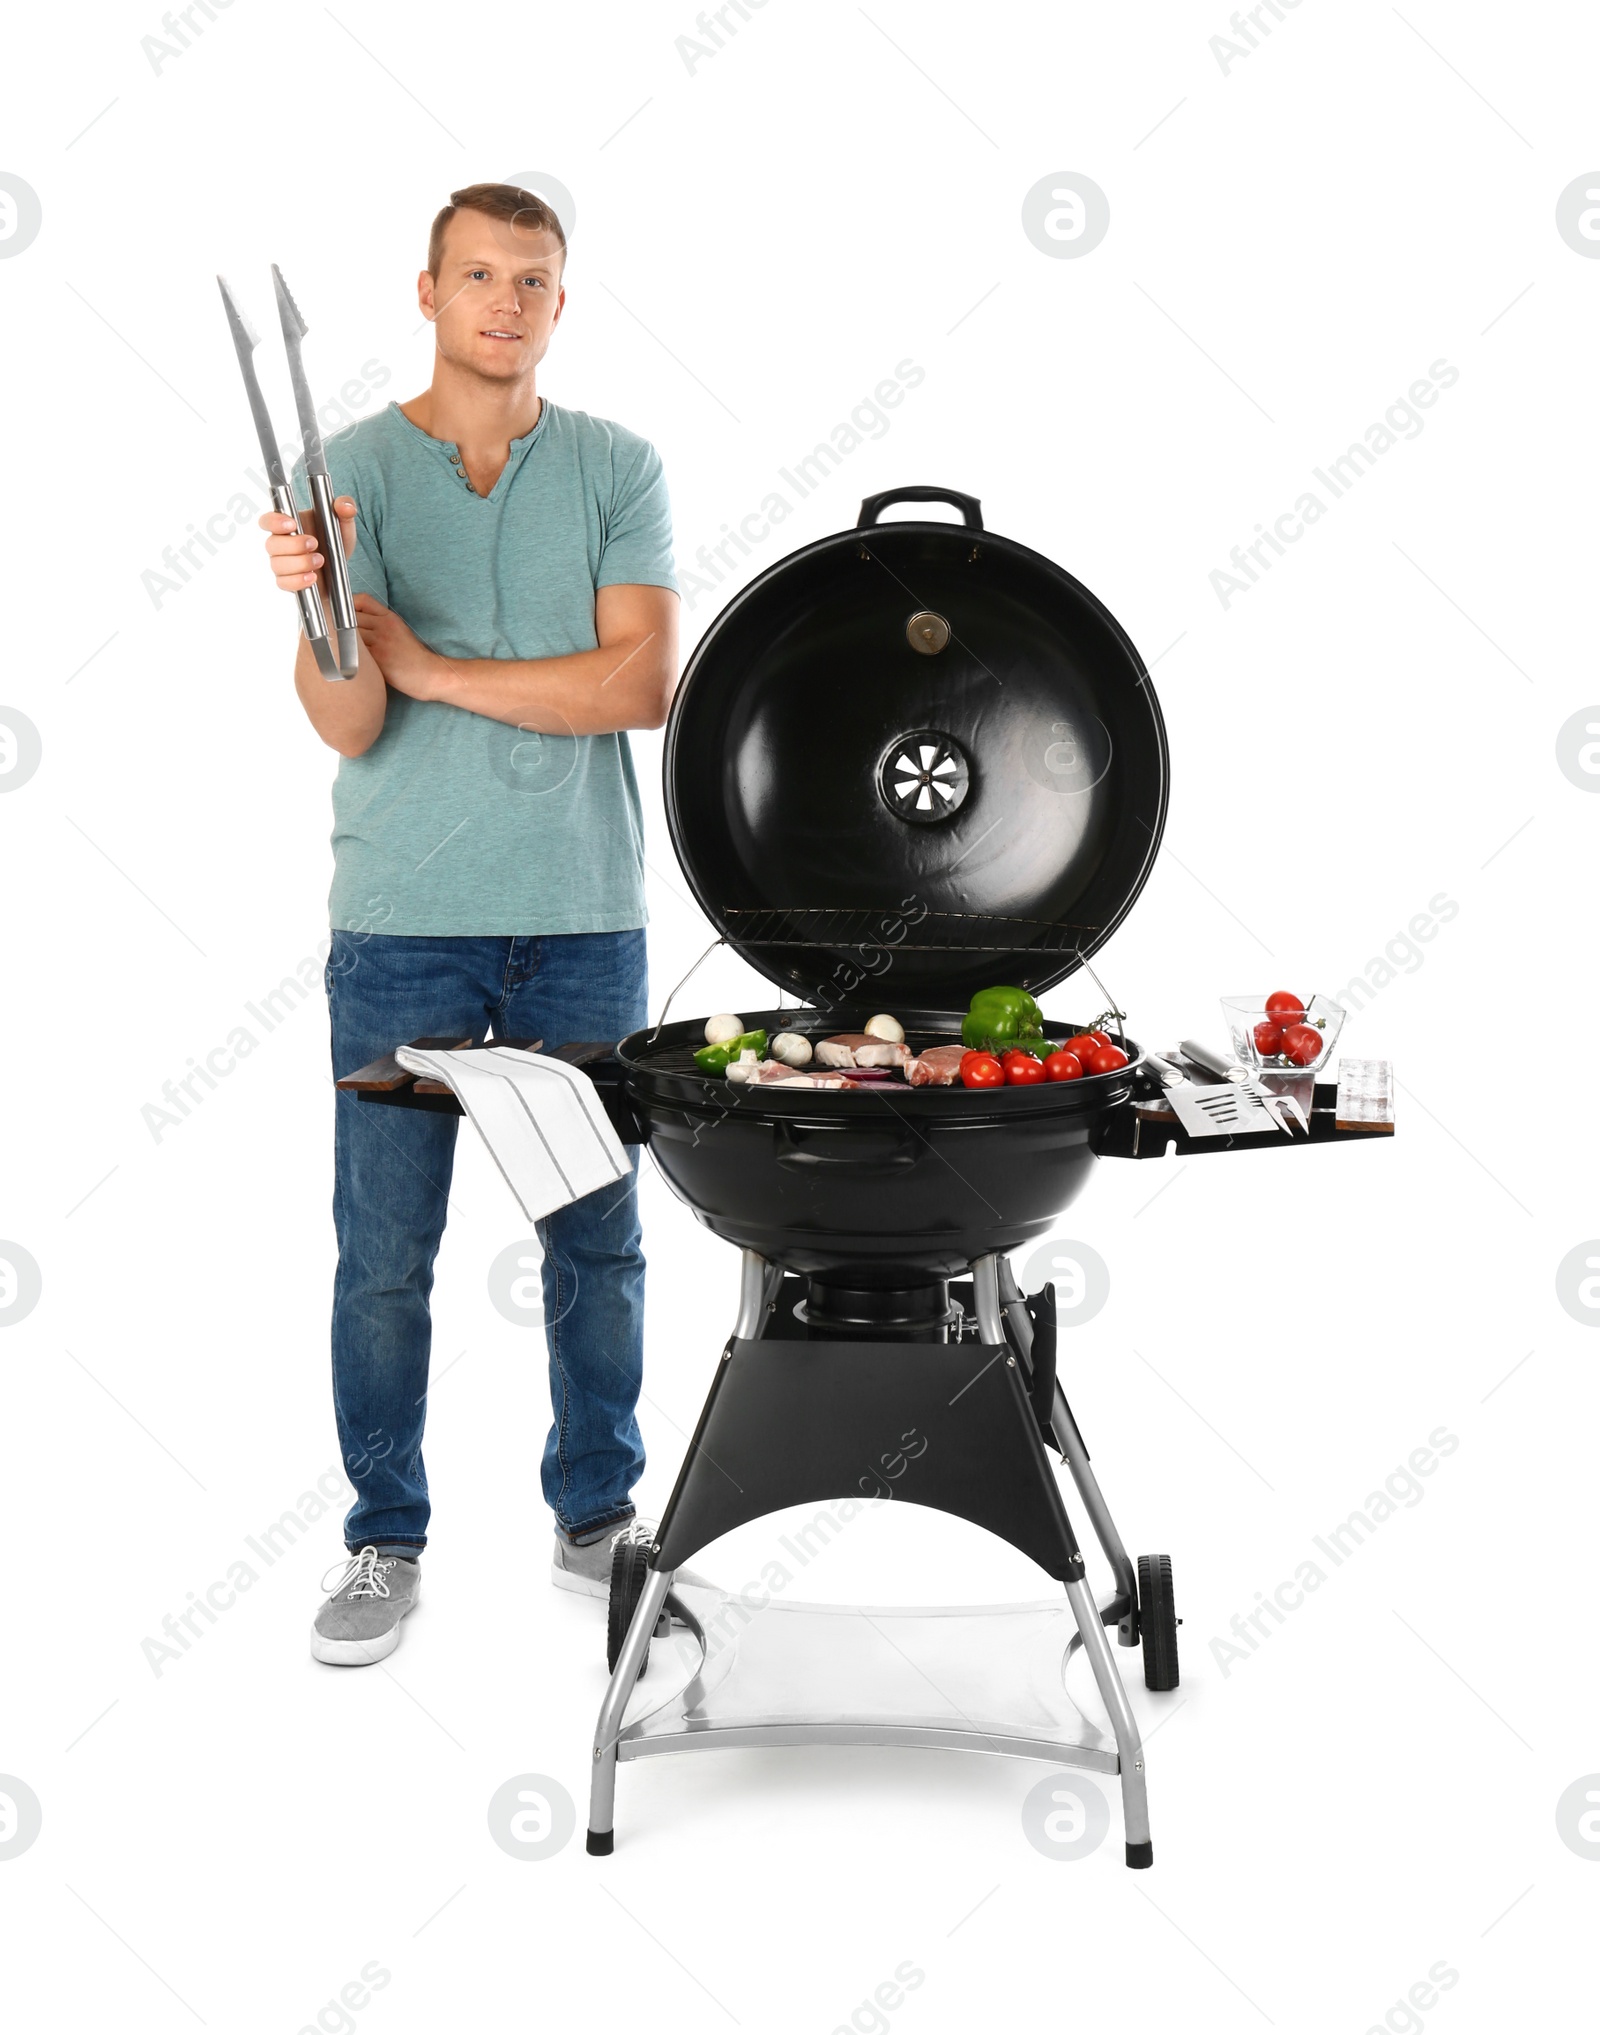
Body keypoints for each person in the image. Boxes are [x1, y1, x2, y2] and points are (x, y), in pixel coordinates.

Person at [257, 182, 679, 1665]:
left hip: (578, 921)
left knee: (598, 1244)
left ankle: (599, 1520)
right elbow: (351, 721)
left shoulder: (618, 467)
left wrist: (436, 668)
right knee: (382, 1255)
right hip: (403, 929)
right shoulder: (347, 474)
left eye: (535, 279)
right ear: (426, 292)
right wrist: (319, 607)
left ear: (562, 304)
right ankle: (383, 1542)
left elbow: (637, 688)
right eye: (480, 275)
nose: (506, 300)